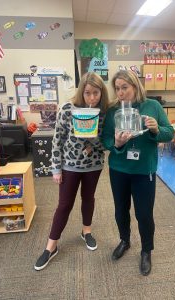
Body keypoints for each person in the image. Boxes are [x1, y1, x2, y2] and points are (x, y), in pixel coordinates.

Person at [102, 70, 174, 276]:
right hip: (119, 169)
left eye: (125, 87)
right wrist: (116, 143)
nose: (121, 92)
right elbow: (106, 138)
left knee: (144, 213)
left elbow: (169, 133)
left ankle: (146, 250)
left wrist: (155, 129)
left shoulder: (153, 106)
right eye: (117, 88)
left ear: (135, 86)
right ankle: (125, 240)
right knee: (120, 210)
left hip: (144, 170)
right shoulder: (114, 109)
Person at [34, 72, 109, 271]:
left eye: (96, 93)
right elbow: (57, 140)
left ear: (101, 92)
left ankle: (86, 231)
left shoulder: (104, 112)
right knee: (64, 204)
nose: (92, 97)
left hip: (94, 165)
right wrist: (56, 168)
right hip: (69, 165)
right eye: (87, 93)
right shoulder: (68, 109)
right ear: (81, 92)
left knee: (88, 198)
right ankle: (51, 246)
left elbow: (106, 144)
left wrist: (91, 137)